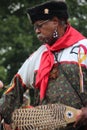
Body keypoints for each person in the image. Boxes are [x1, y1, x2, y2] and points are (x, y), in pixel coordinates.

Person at [0, 0, 87, 130]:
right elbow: (14, 90)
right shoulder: (38, 56)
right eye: (35, 27)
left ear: (55, 22)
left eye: (40, 25)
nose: (36, 31)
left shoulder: (84, 47)